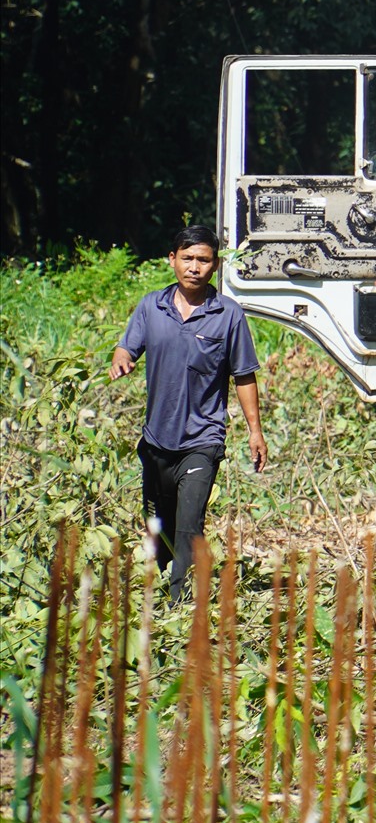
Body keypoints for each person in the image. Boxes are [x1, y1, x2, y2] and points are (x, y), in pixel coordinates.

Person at [109, 225, 269, 603]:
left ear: (215, 266)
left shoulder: (228, 315)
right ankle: (158, 596)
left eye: (203, 260)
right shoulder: (151, 306)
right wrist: (123, 358)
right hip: (156, 442)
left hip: (203, 439)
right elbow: (126, 347)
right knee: (160, 525)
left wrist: (255, 431)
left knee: (189, 525)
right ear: (172, 260)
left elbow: (243, 374)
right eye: (187, 258)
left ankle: (180, 608)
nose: (194, 267)